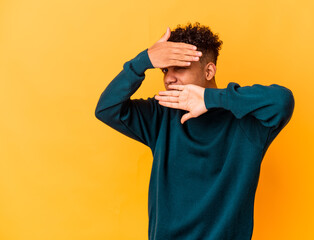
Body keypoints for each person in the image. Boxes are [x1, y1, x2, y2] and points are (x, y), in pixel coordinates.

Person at [95, 22, 295, 240]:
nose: (168, 78)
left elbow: (282, 101)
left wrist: (211, 99)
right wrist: (145, 60)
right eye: (165, 69)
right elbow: (107, 109)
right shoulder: (161, 115)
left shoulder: (247, 123)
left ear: (209, 71)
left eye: (179, 68)